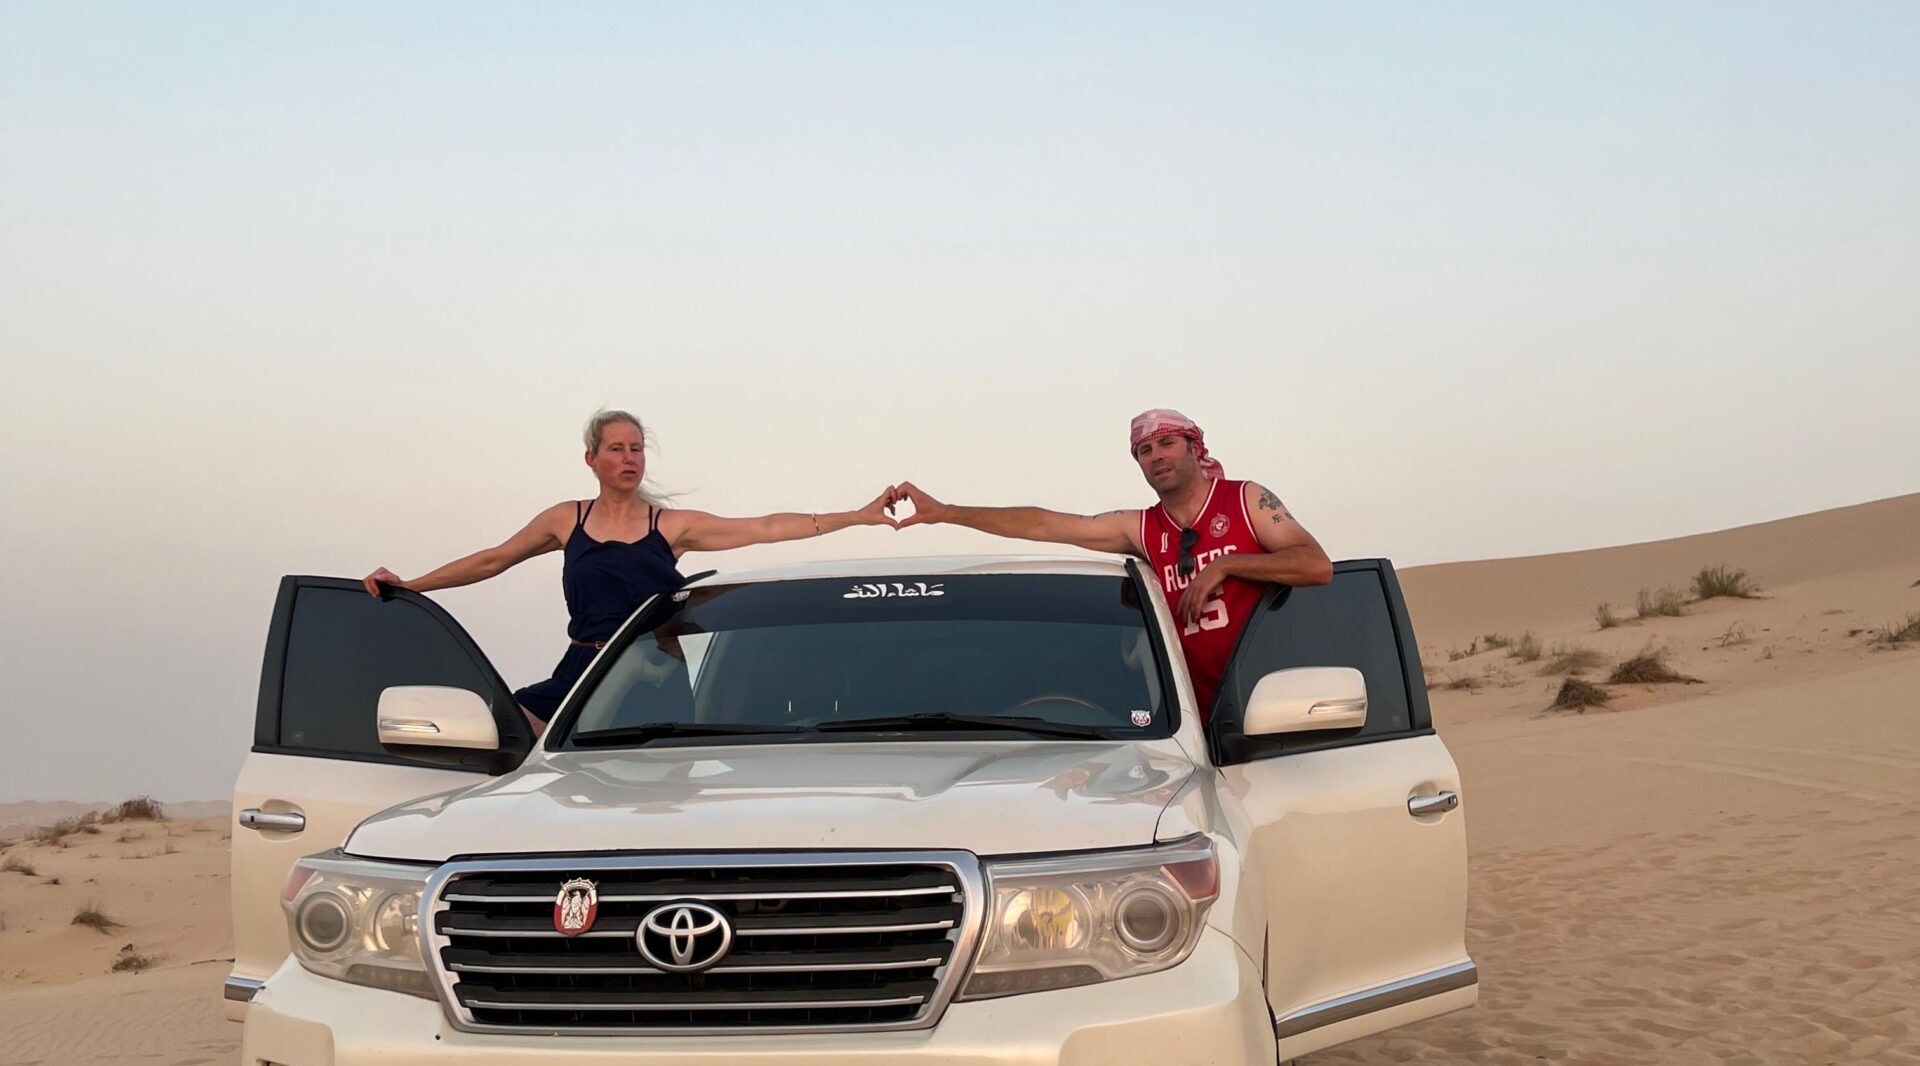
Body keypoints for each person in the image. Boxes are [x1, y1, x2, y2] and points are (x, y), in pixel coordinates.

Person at [364, 408, 895, 730]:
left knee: (651, 805)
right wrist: (411, 585)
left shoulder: (670, 527)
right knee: (501, 729)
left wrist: (858, 516)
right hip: (581, 671)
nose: (628, 458)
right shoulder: (565, 519)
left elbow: (764, 527)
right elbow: (492, 559)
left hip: (652, 678)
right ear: (592, 459)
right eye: (616, 449)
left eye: (636, 449)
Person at [887, 409, 1332, 718]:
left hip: (1268, 704)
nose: (1157, 456)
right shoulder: (1141, 529)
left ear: (1195, 448)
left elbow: (1315, 565)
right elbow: (1043, 524)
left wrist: (1226, 565)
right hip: (1199, 713)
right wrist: (948, 512)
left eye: (1167, 443)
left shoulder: (1245, 499)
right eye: (1145, 450)